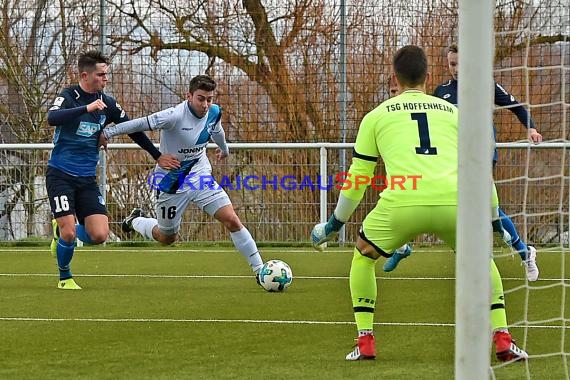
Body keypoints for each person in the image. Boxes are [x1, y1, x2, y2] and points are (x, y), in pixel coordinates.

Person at [311, 45, 528, 362]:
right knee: (482, 260)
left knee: (363, 255)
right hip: (456, 205)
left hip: (402, 205)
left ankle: (366, 341)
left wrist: (334, 224)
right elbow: (480, 171)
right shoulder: (457, 114)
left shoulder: (376, 117)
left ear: (394, 79)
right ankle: (503, 340)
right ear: (428, 77)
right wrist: (494, 220)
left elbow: (358, 178)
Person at [98, 74, 265, 283]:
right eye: (201, 98)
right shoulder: (174, 115)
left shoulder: (214, 112)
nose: (206, 104)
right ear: (189, 96)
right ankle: (135, 220)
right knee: (166, 238)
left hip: (200, 177)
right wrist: (109, 132)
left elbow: (217, 130)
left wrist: (224, 148)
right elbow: (138, 124)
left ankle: (260, 270)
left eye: (210, 99)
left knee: (231, 219)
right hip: (171, 184)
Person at [46, 50, 179, 290]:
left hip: (86, 178)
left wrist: (157, 155)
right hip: (60, 174)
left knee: (99, 235)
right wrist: (85, 110)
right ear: (85, 75)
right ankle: (64, 277)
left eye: (107, 74)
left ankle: (63, 231)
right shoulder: (69, 96)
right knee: (68, 235)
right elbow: (52, 117)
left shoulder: (106, 103)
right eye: (101, 74)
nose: (105, 79)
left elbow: (132, 128)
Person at [432, 43, 540, 282]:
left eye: (461, 63)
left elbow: (518, 107)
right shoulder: (441, 92)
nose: (457, 68)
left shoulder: (485, 85)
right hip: (450, 158)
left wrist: (531, 129)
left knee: (483, 209)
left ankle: (519, 254)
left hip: (482, 155)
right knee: (469, 210)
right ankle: (523, 251)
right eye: (452, 64)